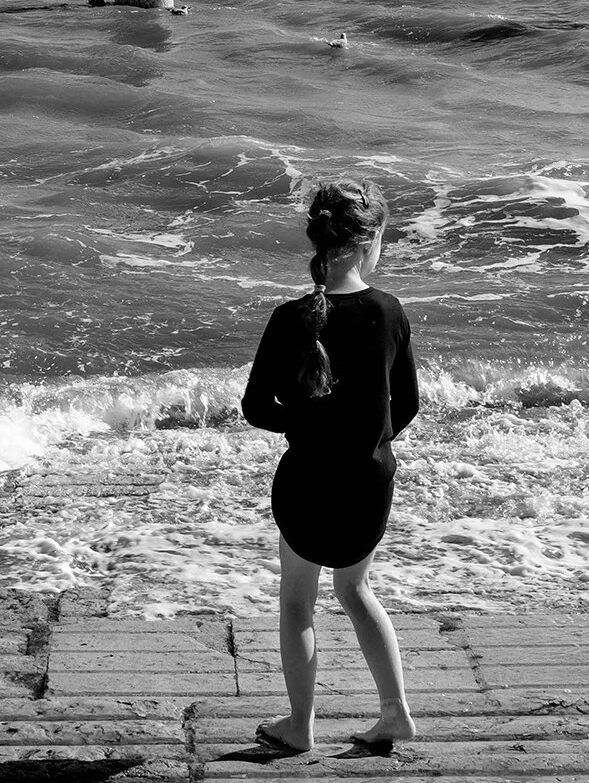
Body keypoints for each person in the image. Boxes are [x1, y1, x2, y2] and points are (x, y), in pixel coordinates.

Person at [240, 179, 420, 753]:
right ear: (369, 242)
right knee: (357, 590)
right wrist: (363, 440)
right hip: (369, 479)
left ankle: (300, 726)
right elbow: (406, 404)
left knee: (298, 600)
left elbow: (256, 407)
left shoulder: (291, 317)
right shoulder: (388, 311)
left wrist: (307, 426)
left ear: (318, 240)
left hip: (309, 479)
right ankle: (395, 713)